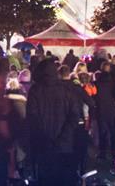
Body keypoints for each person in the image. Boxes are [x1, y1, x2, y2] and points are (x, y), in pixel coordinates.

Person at [25, 57, 84, 186]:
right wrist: (64, 137)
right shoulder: (67, 90)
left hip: (43, 145)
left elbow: (32, 118)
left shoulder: (36, 90)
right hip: (64, 146)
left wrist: (45, 137)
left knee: (46, 179)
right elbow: (74, 116)